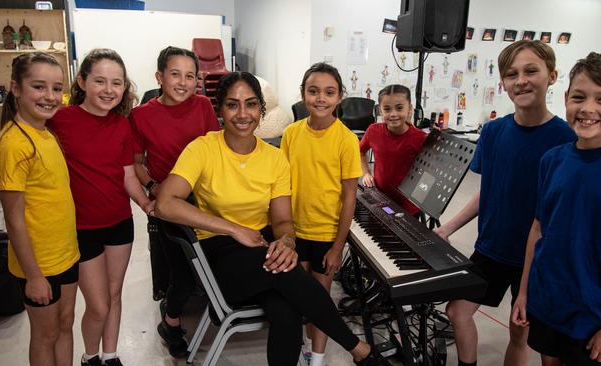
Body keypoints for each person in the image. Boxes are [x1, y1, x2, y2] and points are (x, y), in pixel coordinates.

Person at [155, 71, 376, 366]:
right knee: (289, 274)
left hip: (261, 248)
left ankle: (361, 352)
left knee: (287, 313)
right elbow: (165, 204)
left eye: (250, 104)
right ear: (219, 110)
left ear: (261, 109)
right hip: (219, 255)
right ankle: (359, 350)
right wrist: (234, 229)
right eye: (232, 105)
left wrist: (286, 240)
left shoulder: (274, 159)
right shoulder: (203, 148)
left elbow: (283, 221)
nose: (243, 114)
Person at [433, 40, 576, 366]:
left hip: (536, 258)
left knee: (519, 331)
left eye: (531, 71)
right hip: (491, 249)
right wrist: (449, 226)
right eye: (512, 74)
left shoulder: (566, 139)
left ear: (552, 76)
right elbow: (489, 191)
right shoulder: (494, 132)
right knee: (458, 311)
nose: (521, 80)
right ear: (503, 83)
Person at [511, 52, 601, 366]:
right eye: (579, 97)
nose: (587, 109)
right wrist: (525, 292)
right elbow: (538, 229)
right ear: (566, 97)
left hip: (596, 314)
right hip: (547, 301)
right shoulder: (552, 160)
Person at [48, 48, 153, 366]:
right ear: (81, 81)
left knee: (115, 294)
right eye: (100, 81)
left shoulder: (122, 125)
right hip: (81, 228)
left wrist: (147, 204)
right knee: (98, 304)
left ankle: (110, 355)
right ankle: (89, 356)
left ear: (124, 87)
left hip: (119, 222)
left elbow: (127, 176)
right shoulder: (60, 120)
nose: (109, 90)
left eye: (116, 83)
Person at [129, 46, 220, 358]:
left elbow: (217, 151)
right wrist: (154, 188)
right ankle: (170, 322)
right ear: (159, 77)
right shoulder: (141, 115)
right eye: (175, 74)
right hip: (167, 201)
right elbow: (137, 163)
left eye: (190, 76)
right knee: (181, 270)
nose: (183, 82)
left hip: (205, 198)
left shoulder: (204, 106)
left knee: (213, 260)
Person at [0, 52, 80, 366]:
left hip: (66, 254)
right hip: (38, 265)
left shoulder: (45, 133)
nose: (50, 96)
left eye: (57, 88)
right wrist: (33, 276)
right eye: (39, 87)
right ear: (16, 88)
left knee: (65, 324)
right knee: (45, 336)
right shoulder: (14, 143)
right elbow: (14, 221)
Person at [281, 62, 362, 366]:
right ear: (303, 94)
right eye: (313, 91)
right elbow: (283, 185)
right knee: (299, 300)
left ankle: (317, 359)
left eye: (329, 92)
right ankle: (305, 346)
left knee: (320, 302)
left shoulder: (346, 140)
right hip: (294, 232)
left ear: (340, 96)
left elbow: (350, 197)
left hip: (326, 236)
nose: (321, 98)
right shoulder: (290, 134)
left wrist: (338, 246)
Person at [359, 84, 427, 217]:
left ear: (410, 109)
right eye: (387, 109)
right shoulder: (373, 131)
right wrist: (366, 173)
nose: (393, 114)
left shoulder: (421, 138)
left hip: (409, 206)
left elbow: (429, 175)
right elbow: (360, 152)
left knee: (404, 236)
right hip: (380, 199)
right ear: (380, 111)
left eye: (399, 108)